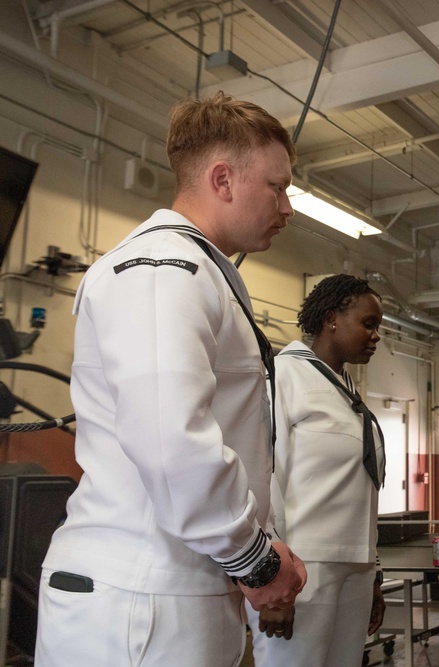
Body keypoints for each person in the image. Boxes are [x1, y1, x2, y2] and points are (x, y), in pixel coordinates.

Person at [35, 92, 307, 666]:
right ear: (223, 179)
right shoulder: (163, 270)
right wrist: (254, 560)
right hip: (142, 599)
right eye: (277, 187)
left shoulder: (198, 272)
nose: (288, 206)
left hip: (169, 590)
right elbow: (171, 440)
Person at [247, 274, 388, 667]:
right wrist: (274, 581)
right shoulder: (283, 376)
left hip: (354, 566)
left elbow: (362, 490)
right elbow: (265, 479)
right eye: (368, 324)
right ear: (331, 319)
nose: (375, 335)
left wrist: (372, 571)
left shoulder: (345, 390)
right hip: (303, 567)